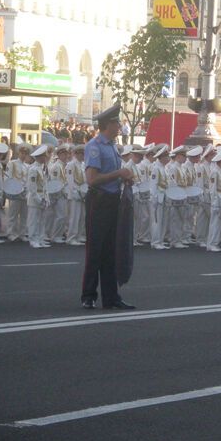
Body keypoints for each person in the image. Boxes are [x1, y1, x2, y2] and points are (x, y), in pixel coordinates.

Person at [81, 104, 135, 310]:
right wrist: (119, 174)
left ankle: (111, 297)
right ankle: (88, 295)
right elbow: (92, 179)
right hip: (99, 201)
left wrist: (126, 179)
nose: (120, 125)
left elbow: (111, 175)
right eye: (116, 122)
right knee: (95, 250)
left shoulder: (112, 145)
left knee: (112, 250)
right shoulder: (94, 146)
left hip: (113, 200)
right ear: (107, 125)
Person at [26, 145, 50, 248]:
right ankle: (33, 239)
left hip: (43, 197)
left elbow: (45, 185)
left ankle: (40, 238)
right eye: (45, 156)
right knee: (34, 221)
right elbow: (32, 187)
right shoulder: (33, 169)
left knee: (42, 220)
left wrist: (46, 199)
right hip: (35, 199)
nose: (46, 158)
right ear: (40, 157)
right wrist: (39, 199)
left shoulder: (42, 168)